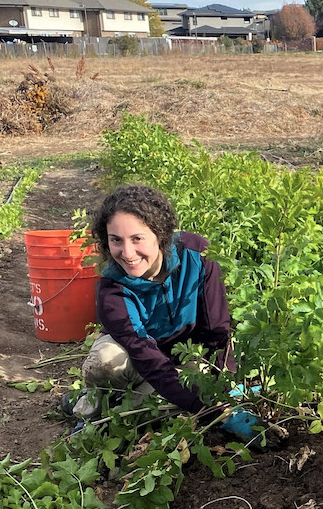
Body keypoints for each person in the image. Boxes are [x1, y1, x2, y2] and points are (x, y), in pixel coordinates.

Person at [62, 184, 279, 449]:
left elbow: (217, 332)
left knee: (170, 406)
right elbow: (147, 358)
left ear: (161, 234)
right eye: (116, 240)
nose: (127, 253)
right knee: (106, 362)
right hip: (135, 357)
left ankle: (98, 406)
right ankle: (89, 409)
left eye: (137, 238)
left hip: (185, 354)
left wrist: (226, 391)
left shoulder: (198, 257)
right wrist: (220, 413)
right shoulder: (113, 288)